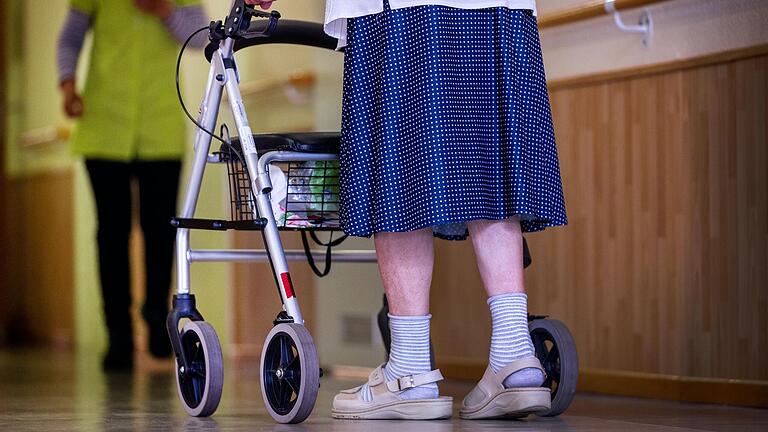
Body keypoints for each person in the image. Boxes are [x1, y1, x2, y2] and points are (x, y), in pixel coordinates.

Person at [250, 0, 566, 420]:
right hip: (502, 10)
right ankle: (515, 356)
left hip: (401, 9)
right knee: (491, 162)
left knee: (400, 170)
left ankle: (410, 370)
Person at [57, 0, 208, 372]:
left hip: (160, 128)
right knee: (111, 233)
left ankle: (158, 322)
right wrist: (67, 85)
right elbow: (71, 36)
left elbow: (201, 37)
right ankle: (118, 335)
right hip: (104, 127)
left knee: (159, 233)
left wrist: (164, 12)